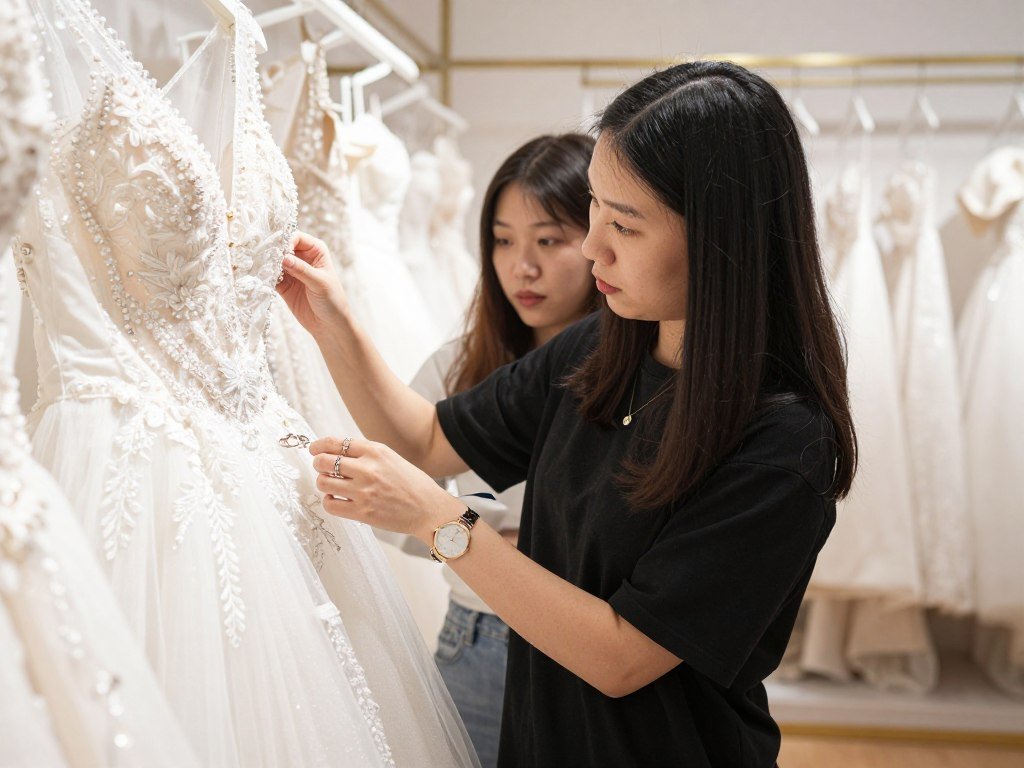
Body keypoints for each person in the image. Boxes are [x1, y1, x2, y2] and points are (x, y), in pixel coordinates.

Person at [277, 60, 856, 768]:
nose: (591, 247)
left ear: (720, 237)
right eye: (594, 211)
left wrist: (438, 522)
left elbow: (619, 654)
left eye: (627, 225)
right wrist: (331, 318)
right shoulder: (601, 349)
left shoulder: (782, 442)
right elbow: (426, 440)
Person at [382, 133, 598, 766]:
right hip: (479, 641)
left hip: (592, 653)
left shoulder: (639, 374)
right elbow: (394, 487)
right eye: (503, 240)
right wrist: (468, 538)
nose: (521, 267)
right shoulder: (459, 364)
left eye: (548, 240)